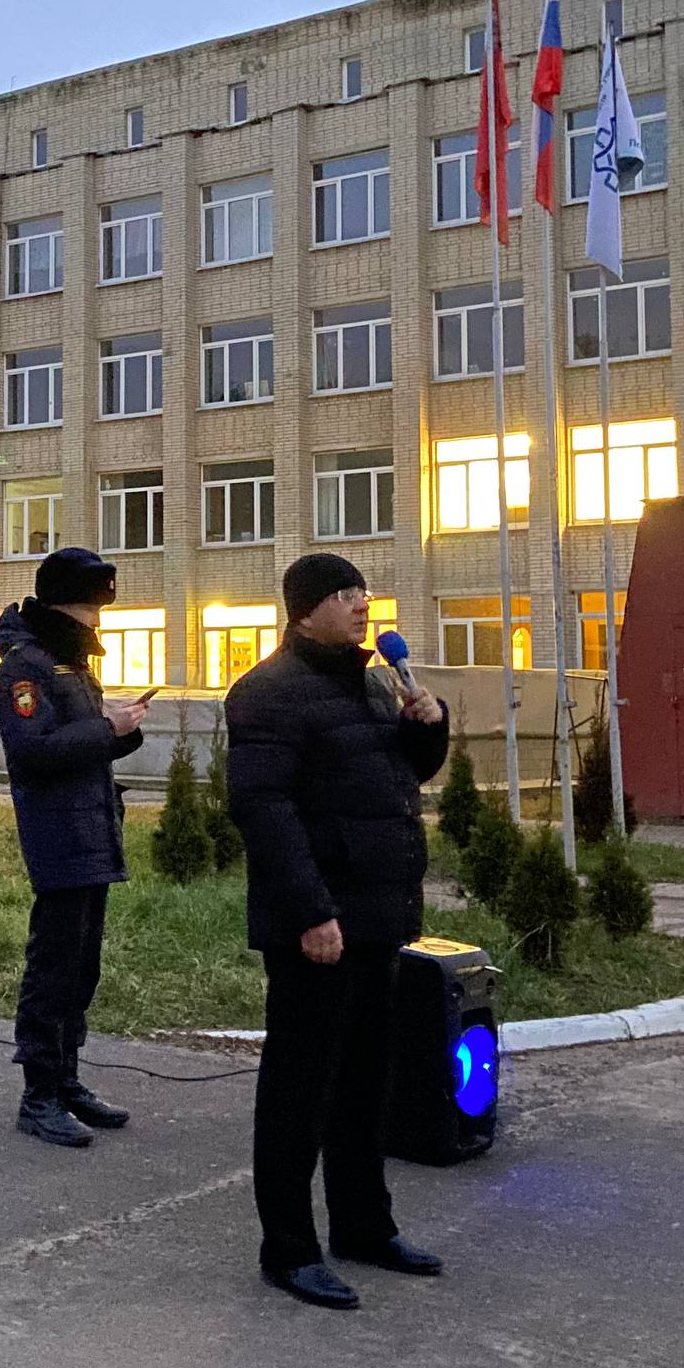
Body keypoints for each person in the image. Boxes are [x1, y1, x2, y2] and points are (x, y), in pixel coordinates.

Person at [225, 553, 449, 1312]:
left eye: (364, 593)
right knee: (301, 1088)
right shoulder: (267, 692)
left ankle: (364, 1226)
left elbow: (401, 778)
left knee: (365, 1081)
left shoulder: (377, 682)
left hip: (378, 915)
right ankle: (289, 1249)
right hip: (317, 924)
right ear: (305, 610)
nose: (362, 604)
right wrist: (311, 913)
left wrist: (428, 727)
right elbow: (264, 810)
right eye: (345, 594)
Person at [0, 546, 152, 1148]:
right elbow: (32, 752)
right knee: (54, 969)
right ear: (63, 606)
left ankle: (67, 1080)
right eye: (91, 611)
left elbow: (78, 743)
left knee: (82, 968)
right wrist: (107, 727)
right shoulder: (26, 668)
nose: (97, 622)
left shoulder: (70, 664)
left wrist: (120, 728)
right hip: (58, 835)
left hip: (93, 830)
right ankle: (39, 1095)